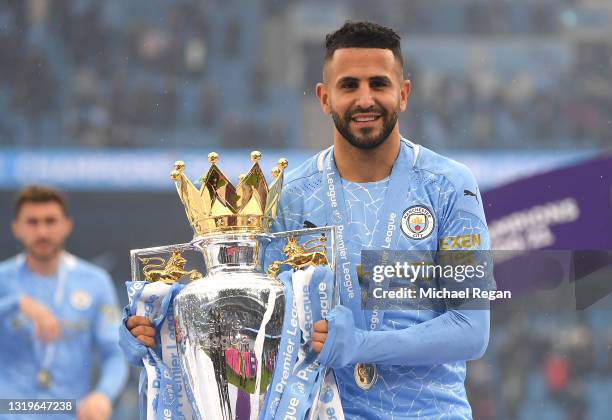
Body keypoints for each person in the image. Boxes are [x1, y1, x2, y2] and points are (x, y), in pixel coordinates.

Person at [123, 21, 492, 419]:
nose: (365, 99)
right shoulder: (287, 197)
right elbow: (254, 323)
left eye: (379, 84)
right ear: (324, 98)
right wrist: (162, 333)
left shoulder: (451, 186)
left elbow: (470, 329)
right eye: (349, 85)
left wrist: (362, 345)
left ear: (403, 94)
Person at [0, 186, 128, 420]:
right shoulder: (2, 279)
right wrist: (16, 303)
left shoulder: (95, 282)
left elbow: (114, 353)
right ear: (16, 228)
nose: (42, 232)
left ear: (66, 225)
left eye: (50, 221)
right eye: (32, 222)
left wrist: (103, 395)